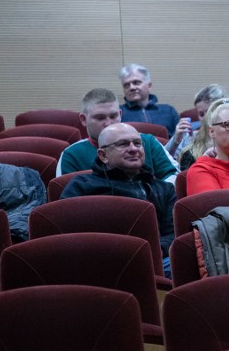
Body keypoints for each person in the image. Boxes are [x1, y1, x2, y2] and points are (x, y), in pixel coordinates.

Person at [61, 123, 176, 277]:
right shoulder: (81, 186)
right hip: (97, 262)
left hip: (152, 260)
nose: (133, 149)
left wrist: (153, 251)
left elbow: (173, 233)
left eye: (137, 143)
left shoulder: (164, 189)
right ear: (103, 155)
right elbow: (67, 235)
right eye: (123, 144)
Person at [57, 88, 179, 182]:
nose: (108, 123)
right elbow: (67, 200)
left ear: (120, 114)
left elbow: (174, 175)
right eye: (100, 118)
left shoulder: (148, 141)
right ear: (83, 119)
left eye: (113, 116)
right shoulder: (71, 154)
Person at [118, 64, 181, 137]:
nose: (131, 87)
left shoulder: (169, 111)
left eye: (136, 83)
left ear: (149, 86)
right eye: (126, 85)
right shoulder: (118, 114)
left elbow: (181, 140)